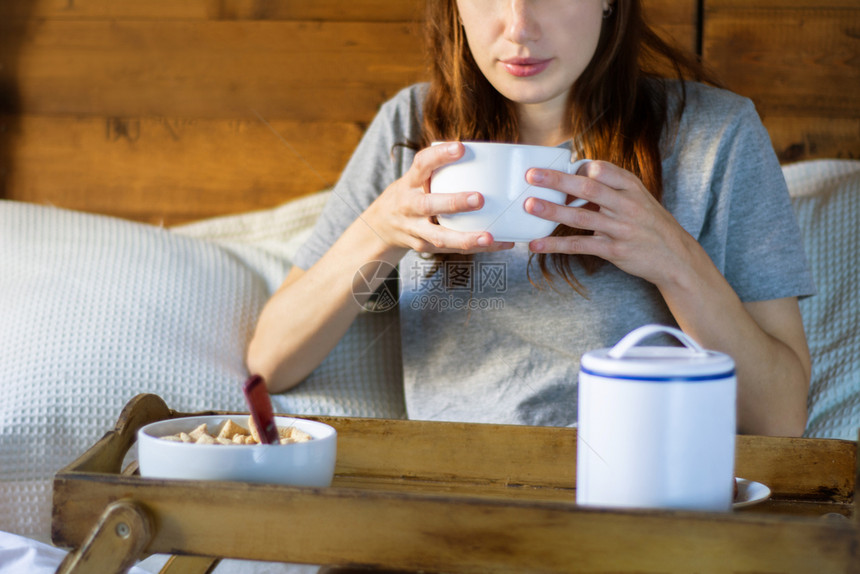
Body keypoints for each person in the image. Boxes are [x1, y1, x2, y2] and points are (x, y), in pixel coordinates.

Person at [247, 0, 815, 437]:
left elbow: (782, 418)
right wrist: (381, 231)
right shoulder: (413, 126)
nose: (518, 27)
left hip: (636, 501)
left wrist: (676, 262)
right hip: (448, 504)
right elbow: (270, 364)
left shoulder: (716, 134)